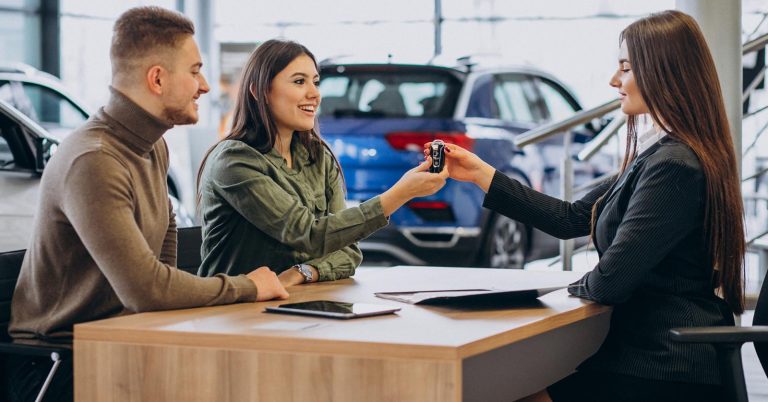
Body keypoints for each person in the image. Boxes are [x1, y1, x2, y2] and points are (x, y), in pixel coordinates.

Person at [434, 10, 744, 402]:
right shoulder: (658, 156)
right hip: (644, 353)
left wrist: (565, 288)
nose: (614, 81)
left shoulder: (674, 165)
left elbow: (610, 281)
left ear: (663, 72)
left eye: (626, 68)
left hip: (665, 363)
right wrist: (480, 173)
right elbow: (571, 218)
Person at [6, 7, 289, 402]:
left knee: (258, 376)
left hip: (124, 342)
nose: (204, 85)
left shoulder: (151, 145)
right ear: (157, 78)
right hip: (59, 365)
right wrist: (247, 287)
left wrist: (172, 311)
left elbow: (165, 240)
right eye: (194, 71)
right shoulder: (94, 160)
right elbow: (146, 290)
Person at [197, 39, 448, 286]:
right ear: (259, 91)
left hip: (298, 307)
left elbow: (348, 252)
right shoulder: (234, 160)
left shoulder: (318, 155)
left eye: (316, 82)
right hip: (234, 313)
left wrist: (303, 272)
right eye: (299, 81)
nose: (315, 94)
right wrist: (400, 194)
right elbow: (309, 235)